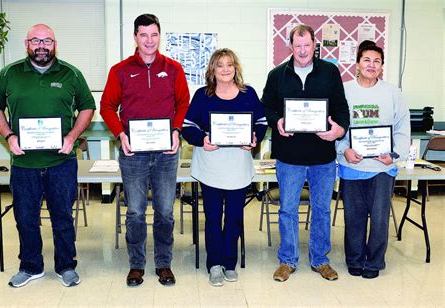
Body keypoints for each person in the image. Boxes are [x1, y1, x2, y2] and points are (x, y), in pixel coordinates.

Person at [0, 24, 96, 288]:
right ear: (27, 43)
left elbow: (88, 107)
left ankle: (66, 266)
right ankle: (30, 266)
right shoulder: (10, 73)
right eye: (36, 40)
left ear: (55, 44)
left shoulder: (71, 73)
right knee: (25, 218)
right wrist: (9, 136)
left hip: (61, 163)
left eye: (47, 40)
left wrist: (72, 138)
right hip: (24, 164)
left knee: (62, 217)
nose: (42, 45)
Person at [100, 14, 189, 287]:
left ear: (159, 36)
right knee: (136, 212)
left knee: (165, 212)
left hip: (166, 153)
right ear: (135, 37)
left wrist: (176, 131)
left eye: (154, 35)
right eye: (143, 35)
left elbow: (183, 103)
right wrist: (120, 134)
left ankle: (164, 264)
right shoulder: (120, 70)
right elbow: (106, 107)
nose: (149, 41)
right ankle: (136, 265)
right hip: (133, 154)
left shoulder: (173, 68)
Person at [261, 24, 350, 282]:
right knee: (287, 209)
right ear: (290, 46)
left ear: (314, 45)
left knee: (321, 209)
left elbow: (342, 108)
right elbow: (266, 107)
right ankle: (287, 260)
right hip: (289, 157)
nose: (302, 51)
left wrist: (338, 130)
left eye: (307, 45)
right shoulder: (277, 75)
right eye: (297, 46)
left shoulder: (330, 73)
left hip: (323, 156)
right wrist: (276, 121)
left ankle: (320, 260)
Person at [182, 48, 267, 287]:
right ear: (213, 70)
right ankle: (215, 264)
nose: (226, 69)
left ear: (236, 68)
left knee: (234, 218)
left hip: (238, 167)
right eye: (220, 65)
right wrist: (202, 140)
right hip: (210, 167)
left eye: (230, 64)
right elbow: (188, 127)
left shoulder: (248, 93)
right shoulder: (202, 95)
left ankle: (229, 262)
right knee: (212, 218)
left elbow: (261, 123)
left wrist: (254, 139)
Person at [336, 40, 410, 279]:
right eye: (366, 60)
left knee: (379, 220)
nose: (371, 64)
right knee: (354, 218)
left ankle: (375, 262)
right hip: (352, 166)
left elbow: (402, 128)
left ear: (381, 66)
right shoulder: (344, 90)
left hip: (382, 168)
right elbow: (336, 126)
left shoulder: (393, 93)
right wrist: (343, 149)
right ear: (357, 63)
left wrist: (394, 155)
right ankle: (355, 260)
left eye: (376, 61)